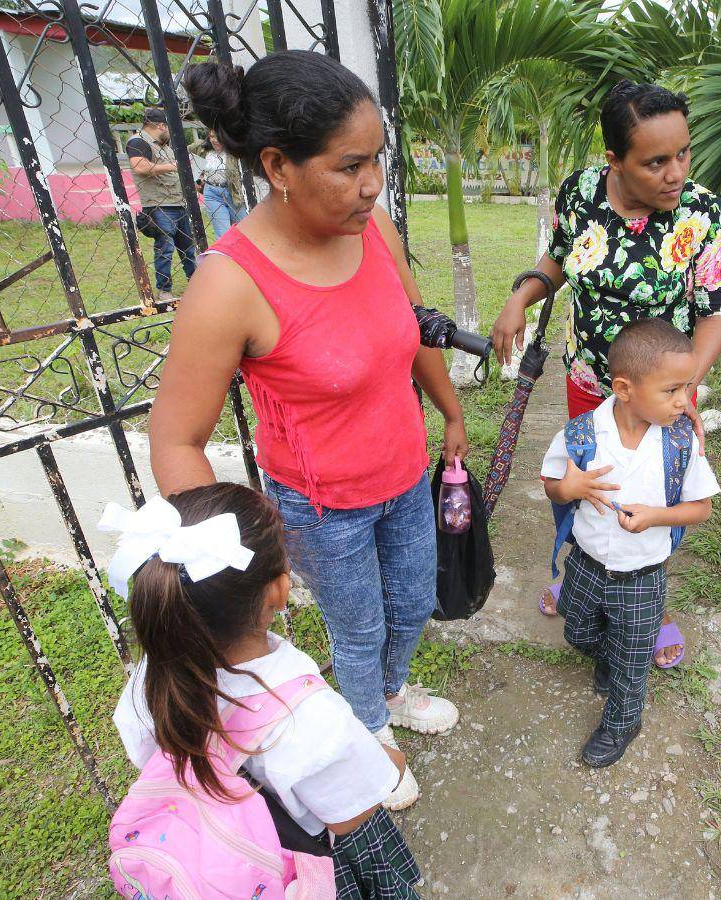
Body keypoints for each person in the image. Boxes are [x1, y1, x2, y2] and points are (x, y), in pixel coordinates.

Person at [148, 50, 470, 811]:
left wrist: (451, 410)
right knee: (357, 631)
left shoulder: (373, 229)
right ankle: (365, 729)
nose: (372, 185)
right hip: (324, 507)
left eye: (377, 161)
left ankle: (388, 693)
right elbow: (175, 439)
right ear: (277, 165)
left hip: (401, 473)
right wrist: (232, 553)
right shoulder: (231, 281)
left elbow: (415, 329)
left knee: (415, 603)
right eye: (349, 165)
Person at [492, 80, 721, 667]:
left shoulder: (702, 214)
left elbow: (716, 312)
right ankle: (580, 577)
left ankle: (649, 606)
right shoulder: (580, 193)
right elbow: (558, 258)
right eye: (655, 161)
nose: (675, 172)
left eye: (683, 152)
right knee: (581, 489)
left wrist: (682, 394)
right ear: (615, 161)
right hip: (591, 388)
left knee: (655, 502)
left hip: (659, 402)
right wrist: (519, 297)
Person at [111, 483, 421, 898]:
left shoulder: (152, 677)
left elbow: (145, 752)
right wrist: (391, 761)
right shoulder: (305, 717)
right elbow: (351, 815)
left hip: (206, 847)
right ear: (279, 588)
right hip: (301, 865)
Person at [542, 320, 719, 767]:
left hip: (642, 578)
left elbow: (701, 508)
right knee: (577, 631)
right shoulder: (582, 434)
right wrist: (570, 488)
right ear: (624, 388)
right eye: (672, 390)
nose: (684, 401)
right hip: (585, 564)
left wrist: (658, 516)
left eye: (687, 387)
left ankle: (622, 722)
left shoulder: (681, 443)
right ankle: (612, 656)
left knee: (631, 666)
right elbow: (550, 483)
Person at [126, 107, 197, 301]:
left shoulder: (164, 146)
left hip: (177, 202)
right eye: (168, 127)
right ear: (161, 125)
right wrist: (175, 166)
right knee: (165, 248)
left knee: (188, 247)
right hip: (159, 204)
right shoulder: (138, 142)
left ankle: (197, 282)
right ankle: (164, 289)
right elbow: (140, 167)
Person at [191, 130, 247, 239]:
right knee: (223, 234)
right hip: (212, 192)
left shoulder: (234, 152)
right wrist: (196, 179)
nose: (214, 140)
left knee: (243, 230)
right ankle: (226, 255)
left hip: (233, 192)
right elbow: (189, 155)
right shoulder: (204, 150)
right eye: (211, 136)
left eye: (218, 137)